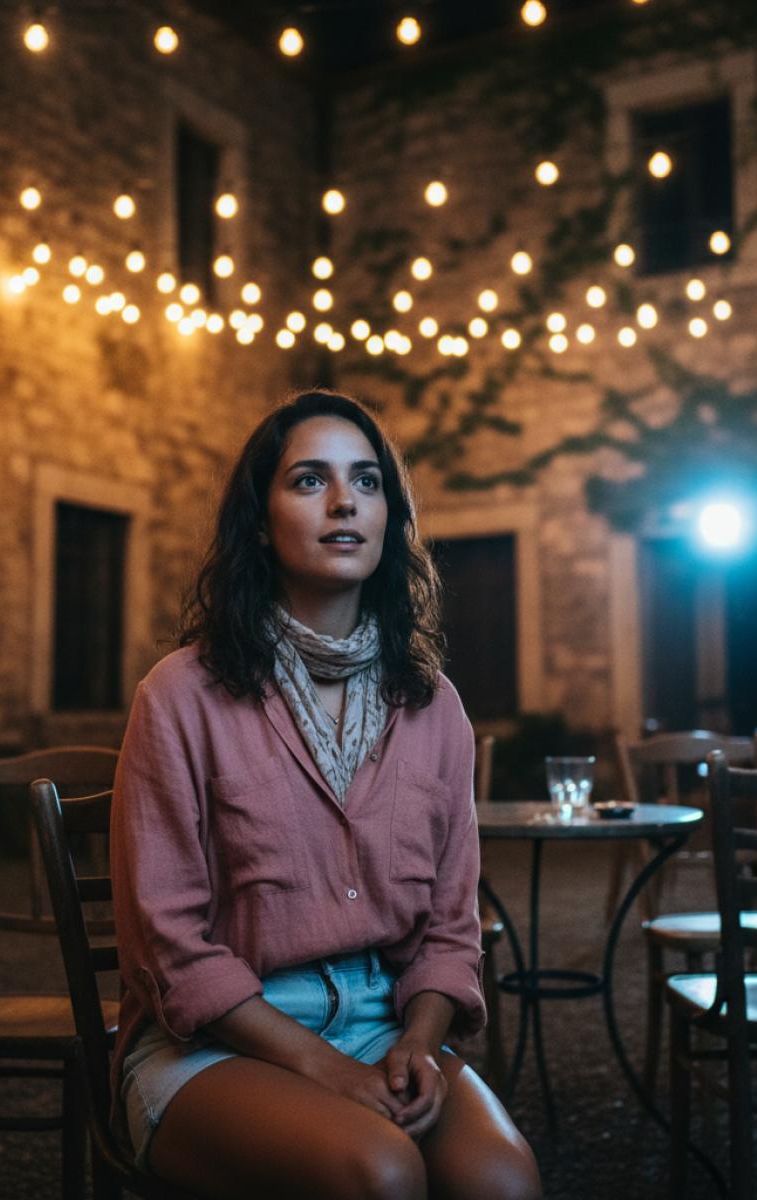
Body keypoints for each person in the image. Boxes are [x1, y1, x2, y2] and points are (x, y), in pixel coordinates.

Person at [111, 389, 542, 1200]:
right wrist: (328, 1070)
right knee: (378, 1175)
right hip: (212, 1046)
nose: (345, 501)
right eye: (309, 481)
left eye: (367, 482)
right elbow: (166, 947)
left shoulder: (434, 704)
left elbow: (452, 927)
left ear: (389, 517)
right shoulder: (181, 695)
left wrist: (419, 1040)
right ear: (260, 517)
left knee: (503, 1184)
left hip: (387, 1024)